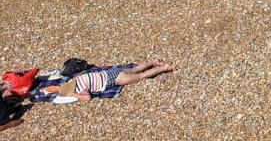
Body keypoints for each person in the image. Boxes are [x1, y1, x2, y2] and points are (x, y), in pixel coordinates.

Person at [42, 59, 175, 103]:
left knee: (142, 76)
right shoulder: (76, 78)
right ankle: (154, 61)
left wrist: (73, 95)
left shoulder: (81, 88)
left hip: (115, 79)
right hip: (111, 72)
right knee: (135, 69)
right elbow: (57, 87)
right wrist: (51, 89)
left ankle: (165, 68)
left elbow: (87, 98)